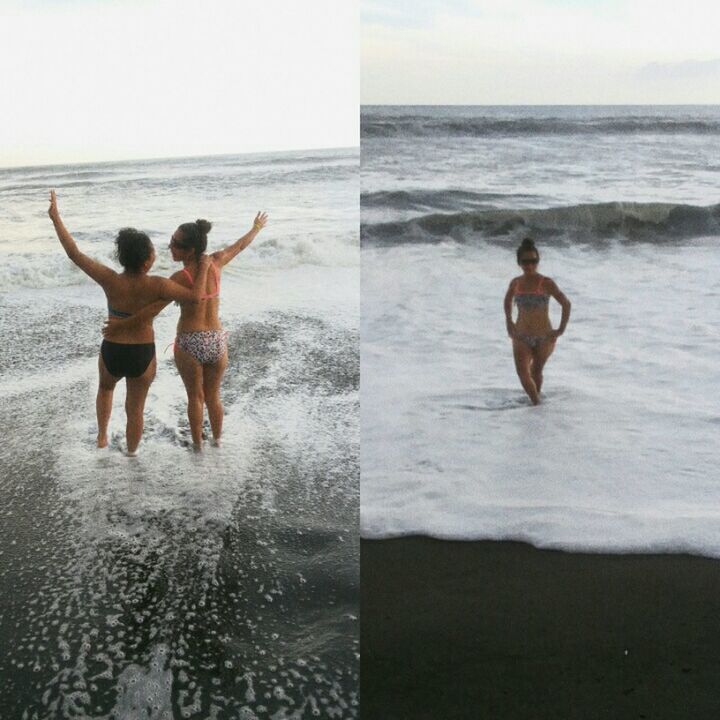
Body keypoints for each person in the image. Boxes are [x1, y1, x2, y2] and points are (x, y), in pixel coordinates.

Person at [48, 190, 210, 454]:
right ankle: (132, 454)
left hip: (112, 348)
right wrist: (202, 267)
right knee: (135, 408)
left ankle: (102, 438)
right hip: (141, 353)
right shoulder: (158, 284)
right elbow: (195, 297)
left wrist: (56, 218)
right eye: (153, 252)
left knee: (105, 389)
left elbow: (74, 253)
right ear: (147, 260)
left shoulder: (110, 279)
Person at [104, 212, 268, 450]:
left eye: (177, 245)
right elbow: (241, 245)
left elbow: (153, 310)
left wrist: (122, 325)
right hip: (216, 340)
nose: (171, 247)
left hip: (190, 341)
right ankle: (218, 442)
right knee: (213, 396)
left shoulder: (181, 277)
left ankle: (198, 447)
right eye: (171, 240)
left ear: (190, 251)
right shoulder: (217, 261)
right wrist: (256, 227)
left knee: (195, 397)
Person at [503, 237, 571, 405]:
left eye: (534, 261)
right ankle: (536, 403)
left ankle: (535, 410)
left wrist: (561, 329)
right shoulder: (516, 283)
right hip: (521, 335)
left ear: (538, 261)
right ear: (519, 262)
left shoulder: (546, 283)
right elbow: (507, 301)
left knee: (536, 371)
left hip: (544, 337)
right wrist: (509, 323)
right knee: (522, 373)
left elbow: (566, 303)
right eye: (526, 262)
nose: (530, 265)